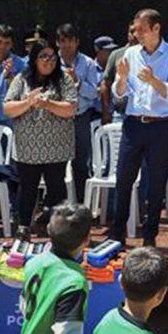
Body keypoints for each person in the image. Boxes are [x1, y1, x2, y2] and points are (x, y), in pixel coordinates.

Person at [112, 8, 168, 246]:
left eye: (142, 30)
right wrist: (122, 78)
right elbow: (118, 93)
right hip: (133, 124)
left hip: (160, 126)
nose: (137, 34)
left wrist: (154, 80)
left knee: (155, 183)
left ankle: (149, 236)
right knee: (123, 180)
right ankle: (117, 234)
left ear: (156, 28)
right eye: (135, 30)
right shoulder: (130, 53)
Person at [18, 202, 93, 334]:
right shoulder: (73, 282)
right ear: (86, 240)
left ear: (49, 232)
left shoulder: (35, 263)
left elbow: (24, 308)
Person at [4, 38, 77, 240]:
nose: (48, 61)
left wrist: (48, 104)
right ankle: (24, 226)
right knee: (27, 188)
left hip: (57, 147)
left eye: (52, 57)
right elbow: (8, 108)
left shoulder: (64, 80)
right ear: (34, 59)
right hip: (27, 148)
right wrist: (28, 102)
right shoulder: (22, 79)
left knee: (56, 189)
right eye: (43, 56)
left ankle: (60, 230)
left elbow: (71, 108)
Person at [57, 23, 99, 204]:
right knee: (56, 165)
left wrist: (77, 81)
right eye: (63, 41)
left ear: (77, 42)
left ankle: (81, 205)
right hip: (56, 119)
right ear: (58, 43)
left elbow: (93, 93)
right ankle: (56, 206)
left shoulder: (88, 63)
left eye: (70, 41)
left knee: (80, 164)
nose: (66, 45)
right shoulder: (49, 61)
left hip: (80, 117)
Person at [100, 22, 137, 124]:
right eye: (131, 31)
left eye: (137, 31)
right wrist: (106, 111)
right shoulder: (117, 54)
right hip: (120, 113)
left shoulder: (149, 55)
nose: (134, 35)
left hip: (142, 114)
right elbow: (105, 84)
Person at [92, 36, 118, 120]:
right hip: (95, 115)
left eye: (112, 50)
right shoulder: (90, 68)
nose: (111, 53)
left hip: (115, 115)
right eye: (107, 50)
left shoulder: (117, 68)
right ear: (97, 49)